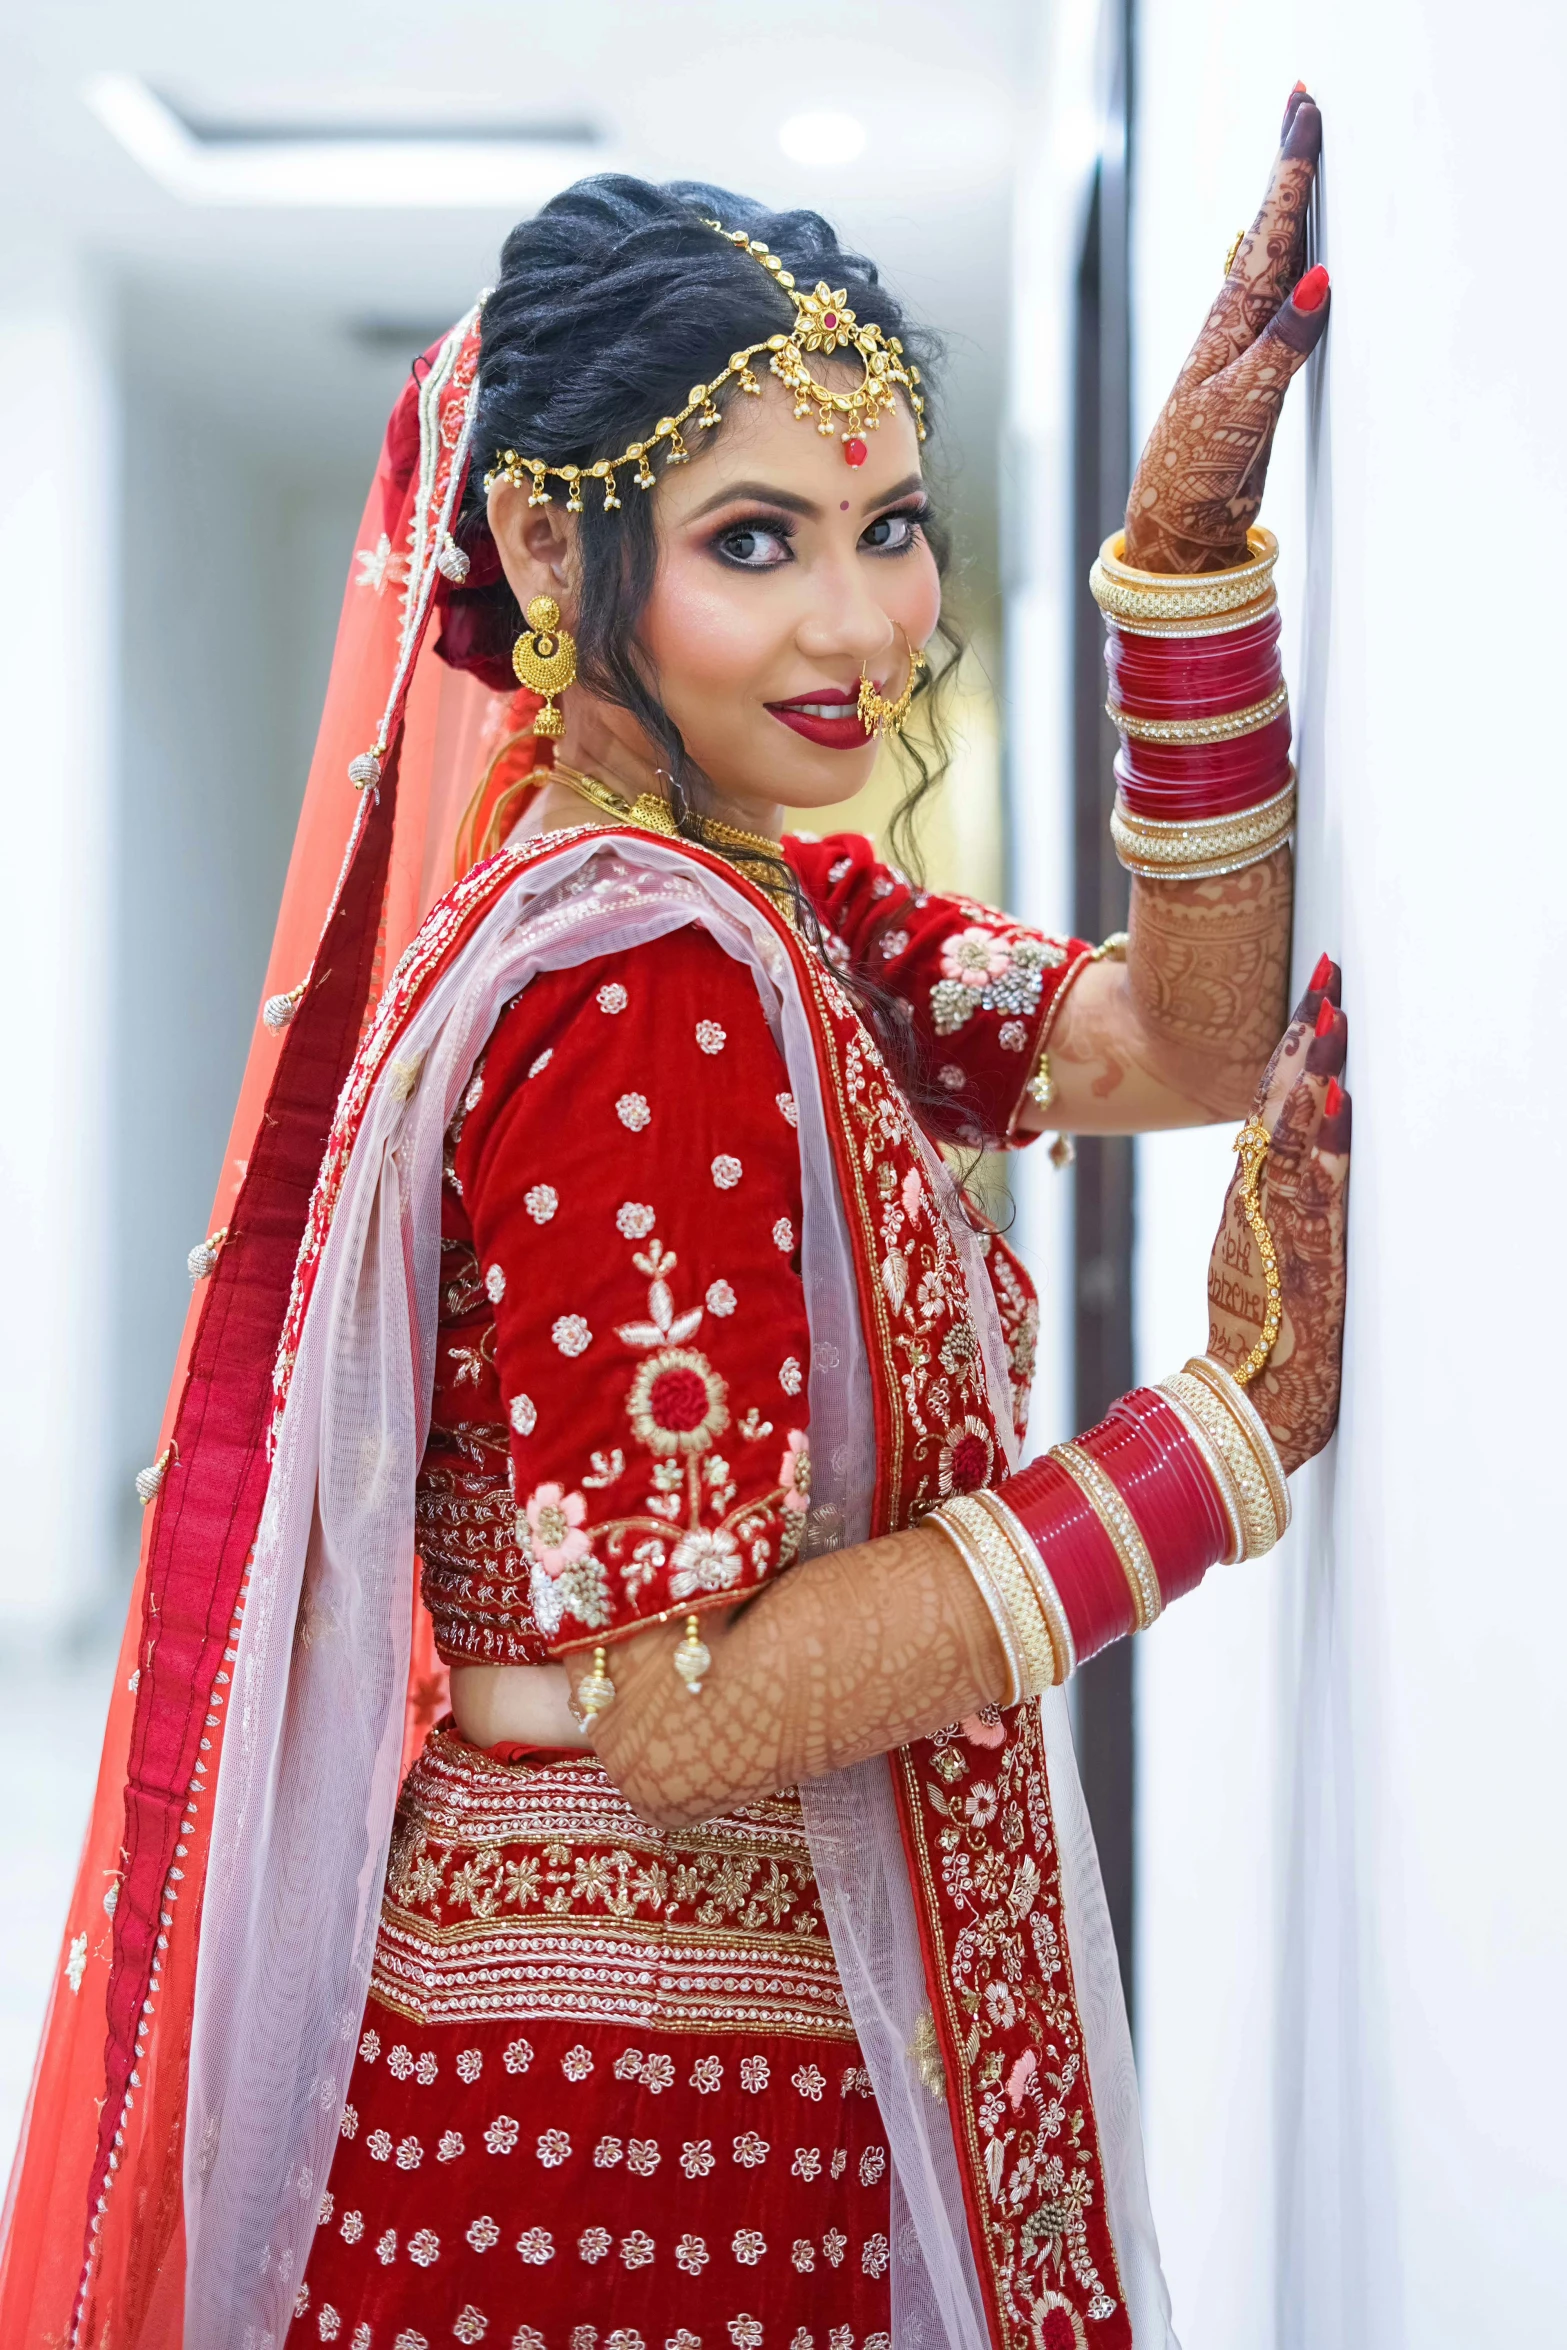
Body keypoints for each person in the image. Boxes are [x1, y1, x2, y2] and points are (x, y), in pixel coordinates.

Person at [1, 88, 1345, 2350]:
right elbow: (691, 1706)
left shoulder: (758, 906)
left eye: (891, 524)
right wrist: (1213, 1441)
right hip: (635, 2115)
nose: (865, 621)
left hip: (660, 2046)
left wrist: (1189, 557)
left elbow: (1176, 1045)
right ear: (546, 545)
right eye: (754, 543)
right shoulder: (645, 984)